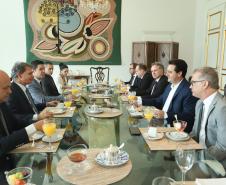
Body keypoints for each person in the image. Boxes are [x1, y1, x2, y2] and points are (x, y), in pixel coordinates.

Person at [141, 59, 198, 133]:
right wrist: (139, 100)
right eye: (167, 71)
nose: (166, 74)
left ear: (179, 73)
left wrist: (165, 114)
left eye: (170, 72)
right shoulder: (169, 85)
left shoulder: (188, 90)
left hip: (173, 129)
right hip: (161, 122)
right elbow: (158, 100)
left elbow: (188, 116)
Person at [0, 70, 45, 156]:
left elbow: (16, 123)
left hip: (13, 154)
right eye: (5, 88)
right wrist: (33, 128)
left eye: (9, 87)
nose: (10, 91)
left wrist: (37, 124)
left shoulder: (2, 104)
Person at [190, 67, 226, 160]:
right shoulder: (199, 103)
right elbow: (194, 133)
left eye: (193, 83)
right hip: (199, 152)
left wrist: (198, 157)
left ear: (205, 84)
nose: (190, 86)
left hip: (216, 161)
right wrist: (181, 143)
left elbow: (222, 149)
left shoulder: (222, 108)